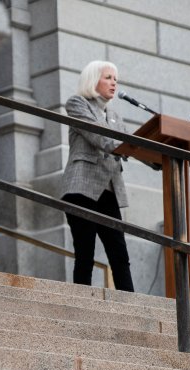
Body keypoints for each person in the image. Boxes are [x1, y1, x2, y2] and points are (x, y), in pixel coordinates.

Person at [60, 60, 135, 292]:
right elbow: (97, 136)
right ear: (93, 80)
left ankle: (130, 305)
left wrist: (157, 159)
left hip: (108, 189)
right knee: (85, 252)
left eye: (116, 79)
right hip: (81, 187)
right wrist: (128, 146)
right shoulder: (77, 103)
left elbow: (130, 144)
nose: (114, 83)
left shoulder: (115, 115)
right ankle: (82, 303)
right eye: (108, 78)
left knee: (119, 254)